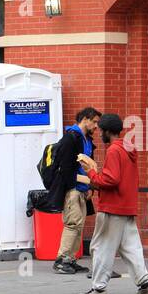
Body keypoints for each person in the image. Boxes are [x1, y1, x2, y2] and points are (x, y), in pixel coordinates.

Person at [74, 113, 148, 294]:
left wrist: (92, 174)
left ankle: (98, 288)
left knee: (101, 246)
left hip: (112, 206)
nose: (99, 133)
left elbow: (111, 179)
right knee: (131, 247)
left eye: (101, 130)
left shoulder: (113, 150)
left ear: (107, 131)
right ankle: (145, 284)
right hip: (127, 206)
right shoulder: (128, 148)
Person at [46, 107, 100, 275]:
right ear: (85, 119)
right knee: (72, 224)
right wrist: (78, 186)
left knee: (79, 224)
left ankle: (70, 259)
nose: (97, 126)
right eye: (95, 122)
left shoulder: (86, 139)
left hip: (82, 188)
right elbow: (67, 168)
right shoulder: (70, 138)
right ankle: (61, 260)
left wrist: (89, 187)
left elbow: (87, 165)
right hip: (73, 189)